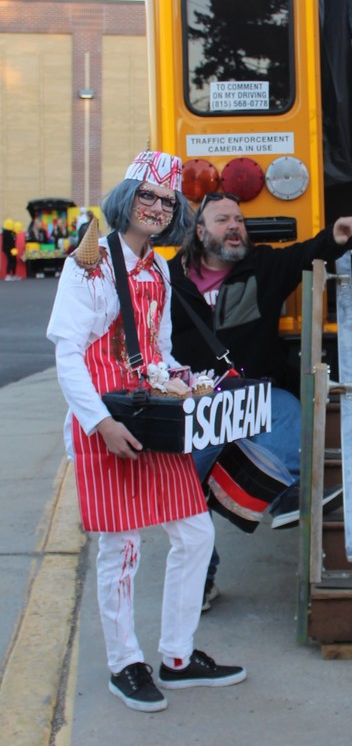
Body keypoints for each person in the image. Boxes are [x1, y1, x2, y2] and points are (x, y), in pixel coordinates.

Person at [46, 151, 246, 713]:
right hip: (106, 416)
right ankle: (124, 663)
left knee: (194, 533)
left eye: (167, 200)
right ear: (126, 198)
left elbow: (157, 349)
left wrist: (190, 383)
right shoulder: (87, 264)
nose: (157, 207)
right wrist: (100, 423)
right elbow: (67, 353)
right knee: (122, 546)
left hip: (153, 412)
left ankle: (177, 656)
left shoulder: (159, 268)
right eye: (147, 196)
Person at [168, 192, 352, 607]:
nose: (235, 226)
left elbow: (305, 254)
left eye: (239, 219)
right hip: (196, 404)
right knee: (187, 488)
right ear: (200, 233)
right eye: (223, 220)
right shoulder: (168, 280)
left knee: (290, 415)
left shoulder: (263, 266)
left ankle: (286, 496)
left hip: (256, 392)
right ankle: (200, 577)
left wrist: (336, 235)